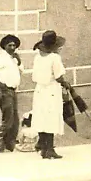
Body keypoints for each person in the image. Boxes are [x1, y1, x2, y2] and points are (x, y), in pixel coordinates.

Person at [30, 31, 66, 160]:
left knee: (41, 117)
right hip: (51, 90)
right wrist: (65, 84)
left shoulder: (37, 57)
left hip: (40, 90)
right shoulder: (54, 58)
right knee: (51, 118)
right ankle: (49, 149)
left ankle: (43, 148)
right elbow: (58, 76)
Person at [0, 34, 22, 151]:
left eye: (14, 45)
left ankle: (10, 143)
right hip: (6, 91)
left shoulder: (13, 59)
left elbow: (21, 70)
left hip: (13, 91)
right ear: (4, 46)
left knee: (15, 119)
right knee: (8, 118)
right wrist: (0, 84)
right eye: (10, 45)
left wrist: (18, 60)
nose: (12, 47)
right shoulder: (1, 58)